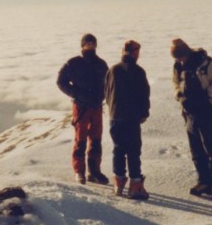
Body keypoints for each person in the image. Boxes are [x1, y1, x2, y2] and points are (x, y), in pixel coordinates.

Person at [171, 39, 212, 201]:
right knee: (196, 148)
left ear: (186, 52)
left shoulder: (207, 64)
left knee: (210, 147)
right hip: (189, 111)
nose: (179, 60)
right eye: (176, 58)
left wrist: (206, 96)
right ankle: (203, 182)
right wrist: (180, 96)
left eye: (180, 57)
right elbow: (175, 82)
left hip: (207, 109)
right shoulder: (178, 66)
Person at [56, 34, 110, 184]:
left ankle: (94, 171)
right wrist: (76, 94)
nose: (91, 45)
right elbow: (61, 81)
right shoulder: (73, 63)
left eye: (93, 43)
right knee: (80, 140)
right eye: (87, 43)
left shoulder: (101, 64)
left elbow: (108, 83)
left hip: (96, 106)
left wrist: (103, 97)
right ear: (82, 46)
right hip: (81, 107)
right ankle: (79, 171)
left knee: (96, 140)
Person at [105, 40, 151, 199]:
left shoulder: (113, 69)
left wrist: (112, 109)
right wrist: (144, 113)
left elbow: (107, 91)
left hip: (114, 116)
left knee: (118, 149)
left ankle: (118, 183)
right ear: (134, 52)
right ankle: (135, 186)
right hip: (131, 117)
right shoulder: (138, 71)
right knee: (133, 151)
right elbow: (144, 95)